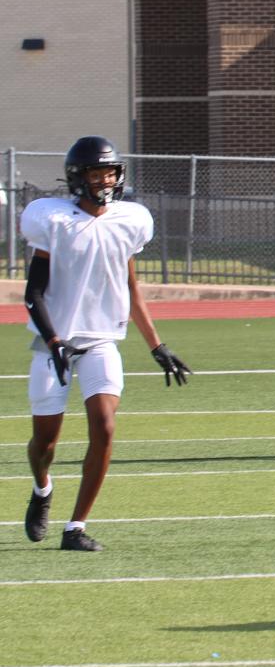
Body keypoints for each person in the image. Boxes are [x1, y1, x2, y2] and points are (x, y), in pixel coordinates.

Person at [21, 136, 193, 553]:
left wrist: (157, 345)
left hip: (101, 341)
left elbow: (131, 288)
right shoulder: (55, 222)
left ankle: (75, 527)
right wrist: (55, 340)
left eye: (111, 172)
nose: (106, 181)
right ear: (79, 179)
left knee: (105, 425)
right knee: (44, 445)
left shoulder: (128, 220)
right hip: (54, 345)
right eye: (97, 174)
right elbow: (33, 294)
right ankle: (43, 488)